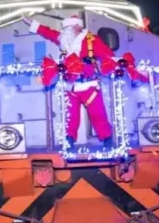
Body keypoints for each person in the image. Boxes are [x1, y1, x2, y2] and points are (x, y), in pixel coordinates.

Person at [25, 14, 142, 148]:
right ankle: (69, 139)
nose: (65, 30)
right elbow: (49, 33)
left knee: (98, 113)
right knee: (70, 116)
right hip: (70, 85)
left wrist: (119, 63)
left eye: (68, 27)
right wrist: (33, 24)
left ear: (76, 27)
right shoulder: (64, 39)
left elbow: (107, 55)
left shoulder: (92, 40)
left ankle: (107, 138)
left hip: (89, 85)